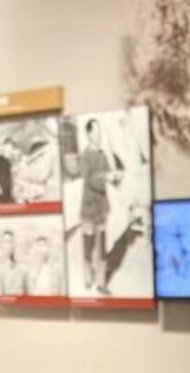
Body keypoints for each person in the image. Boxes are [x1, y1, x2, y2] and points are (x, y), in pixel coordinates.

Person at [77, 119, 118, 293]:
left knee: (102, 245)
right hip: (88, 208)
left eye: (100, 131)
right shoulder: (84, 156)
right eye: (95, 131)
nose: (99, 135)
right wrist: (106, 177)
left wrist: (115, 177)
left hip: (101, 208)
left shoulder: (102, 154)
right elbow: (89, 180)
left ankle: (101, 283)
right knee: (88, 244)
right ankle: (88, 277)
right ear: (88, 134)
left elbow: (108, 173)